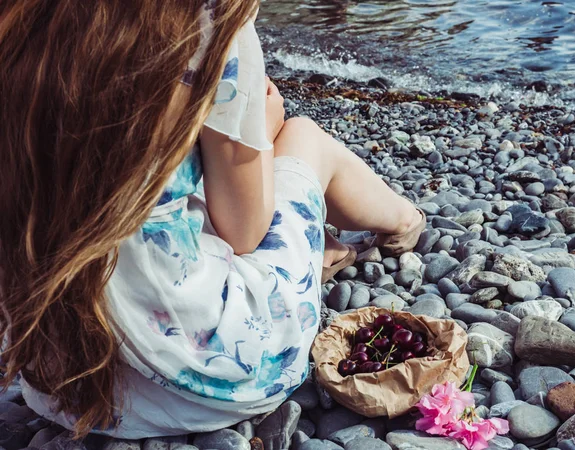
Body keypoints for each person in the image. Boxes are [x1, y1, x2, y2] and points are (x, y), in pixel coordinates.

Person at [0, 0, 425, 440]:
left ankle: (319, 245)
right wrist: (258, 126)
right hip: (207, 382)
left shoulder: (23, 21)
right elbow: (245, 230)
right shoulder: (208, 22)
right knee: (302, 137)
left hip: (61, 382)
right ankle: (405, 222)